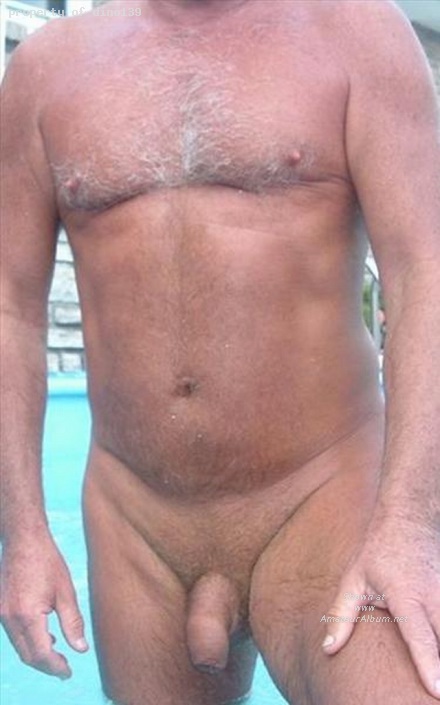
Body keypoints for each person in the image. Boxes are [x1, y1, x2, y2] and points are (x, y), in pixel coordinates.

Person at [1, 1, 439, 703]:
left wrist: (412, 525)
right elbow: (11, 309)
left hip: (324, 499)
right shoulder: (46, 71)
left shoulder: (357, 33)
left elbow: (424, 275)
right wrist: (22, 534)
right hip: (138, 523)